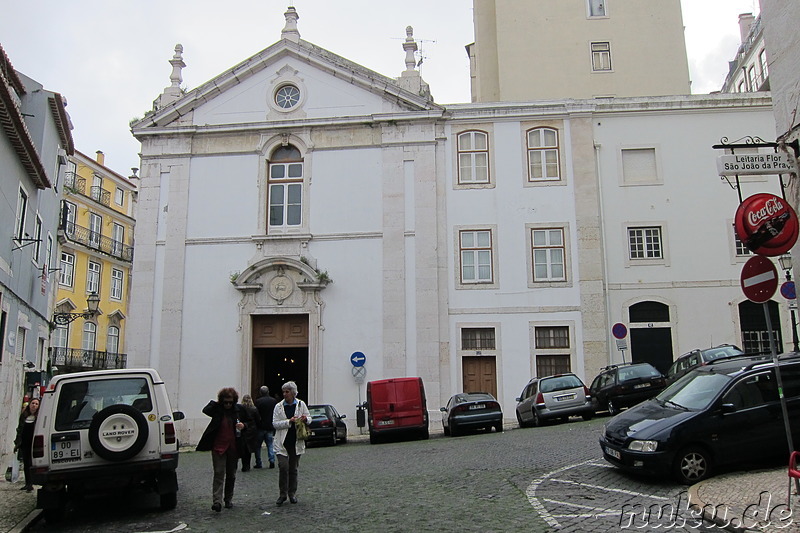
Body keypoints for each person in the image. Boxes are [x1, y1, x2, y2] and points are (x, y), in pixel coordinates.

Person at [196, 387, 246, 512]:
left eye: (230, 402)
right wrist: (218, 403)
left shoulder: (239, 410)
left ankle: (228, 499)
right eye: (225, 402)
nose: (228, 405)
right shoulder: (217, 410)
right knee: (218, 473)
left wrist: (244, 425)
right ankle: (217, 501)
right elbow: (206, 409)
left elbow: (251, 422)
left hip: (233, 447)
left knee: (231, 474)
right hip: (218, 446)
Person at [272, 381, 310, 505]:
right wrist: (289, 422)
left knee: (293, 469)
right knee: (283, 467)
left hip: (295, 441)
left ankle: (292, 493)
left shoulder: (300, 404)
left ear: (293, 393)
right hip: (282, 442)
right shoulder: (278, 406)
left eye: (287, 392)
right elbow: (275, 423)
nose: (284, 394)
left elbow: (309, 418)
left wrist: (305, 419)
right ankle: (282, 494)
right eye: (283, 392)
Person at [14, 397, 40, 492]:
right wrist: (17, 443)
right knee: (26, 463)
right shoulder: (24, 416)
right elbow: (20, 429)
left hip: (34, 443)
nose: (34, 405)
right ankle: (28, 483)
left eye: (36, 404)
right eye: (33, 403)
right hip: (24, 442)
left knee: (32, 462)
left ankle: (33, 482)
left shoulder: (38, 417)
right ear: (29, 404)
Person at [254, 385, 277, 469]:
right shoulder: (273, 401)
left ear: (260, 392)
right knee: (270, 445)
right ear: (268, 392)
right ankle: (272, 460)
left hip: (260, 426)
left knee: (258, 446)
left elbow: (256, 414)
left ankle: (259, 463)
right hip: (270, 426)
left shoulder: (257, 401)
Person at [238, 394, 261, 472]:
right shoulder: (254, 409)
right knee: (249, 448)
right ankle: (247, 464)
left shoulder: (241, 409)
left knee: (244, 448)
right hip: (252, 430)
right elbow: (258, 419)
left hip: (243, 429)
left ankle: (245, 465)